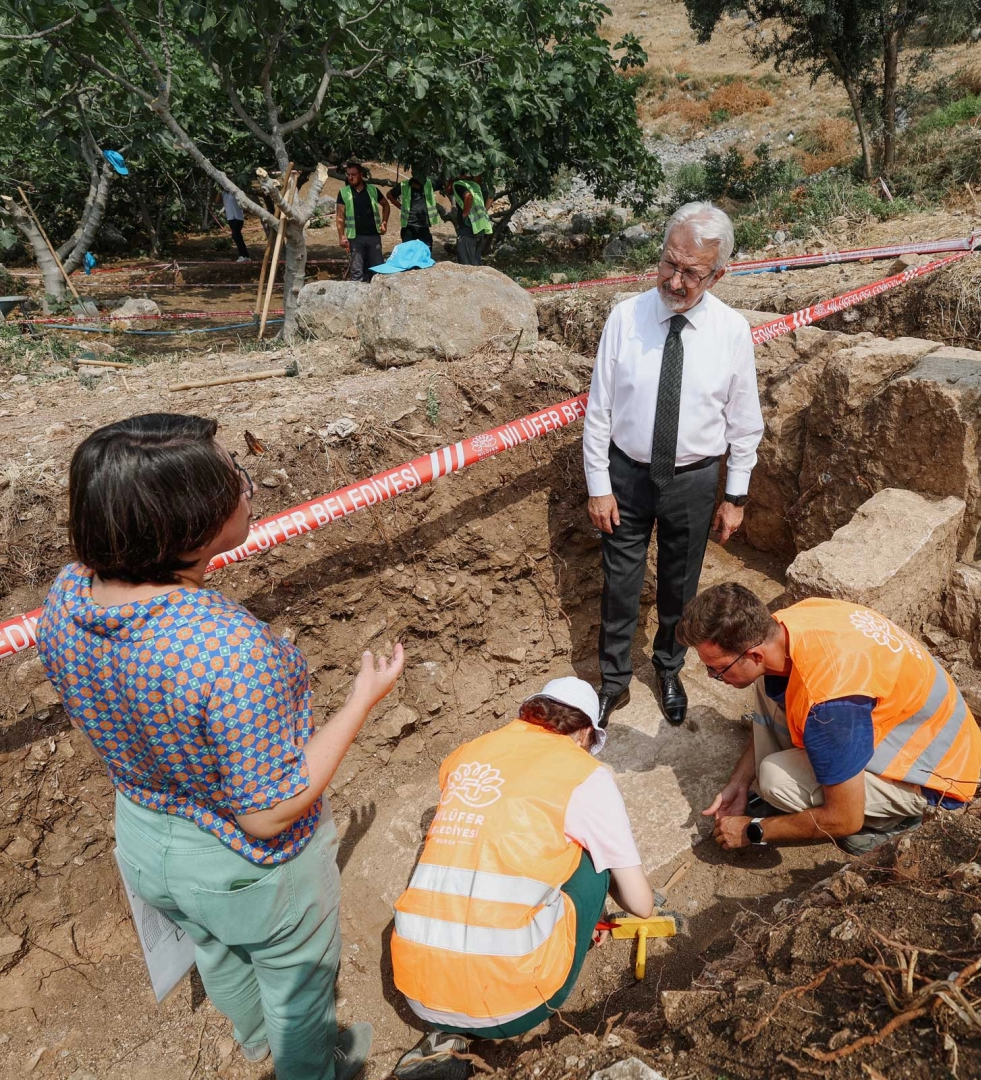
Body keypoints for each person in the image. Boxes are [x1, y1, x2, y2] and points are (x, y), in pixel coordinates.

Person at [36, 413, 404, 1080]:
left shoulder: (66, 595)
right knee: (298, 985)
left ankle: (254, 1040)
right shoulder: (226, 650)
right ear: (191, 525)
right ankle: (311, 1067)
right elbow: (267, 811)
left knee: (216, 950)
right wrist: (361, 701)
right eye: (234, 483)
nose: (247, 489)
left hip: (147, 837)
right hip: (248, 867)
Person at [390, 678, 655, 1080]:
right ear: (585, 732)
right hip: (513, 1006)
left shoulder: (468, 754)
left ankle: (445, 1033)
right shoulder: (585, 774)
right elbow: (641, 904)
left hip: (417, 988)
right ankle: (574, 934)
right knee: (591, 859)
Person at [583, 201, 763, 730]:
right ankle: (613, 682)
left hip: (694, 478)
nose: (676, 281)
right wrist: (599, 484)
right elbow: (599, 410)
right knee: (620, 583)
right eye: (669, 263)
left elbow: (744, 422)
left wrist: (735, 496)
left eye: (692, 272)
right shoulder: (625, 317)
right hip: (627, 475)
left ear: (719, 273)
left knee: (680, 586)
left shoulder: (731, 331)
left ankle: (668, 667)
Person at [681, 583, 981, 856]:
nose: (713, 677)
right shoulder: (789, 624)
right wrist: (739, 782)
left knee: (775, 779)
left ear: (754, 655)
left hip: (935, 778)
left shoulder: (829, 706)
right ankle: (831, 774)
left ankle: (894, 823)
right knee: (764, 683)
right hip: (926, 727)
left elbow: (843, 818)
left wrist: (754, 830)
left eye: (717, 669)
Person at [334, 162, 390, 283]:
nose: (350, 177)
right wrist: (341, 236)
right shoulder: (344, 192)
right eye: (348, 174)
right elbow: (340, 217)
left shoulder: (373, 190)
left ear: (361, 175)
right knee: (357, 272)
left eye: (353, 174)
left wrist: (384, 222)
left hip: (373, 236)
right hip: (355, 238)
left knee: (378, 270)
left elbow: (386, 205)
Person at [446, 173, 494, 266]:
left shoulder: (459, 184)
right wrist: (484, 212)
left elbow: (468, 196)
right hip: (481, 229)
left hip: (468, 231)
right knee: (475, 263)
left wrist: (465, 214)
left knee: (466, 266)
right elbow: (491, 197)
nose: (447, 188)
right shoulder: (476, 186)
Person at [389, 171, 443, 249]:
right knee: (409, 252)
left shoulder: (429, 184)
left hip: (423, 225)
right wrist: (401, 207)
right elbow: (389, 195)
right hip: (408, 226)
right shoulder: (404, 185)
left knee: (425, 250)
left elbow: (445, 182)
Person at [219, 187, 250, 261]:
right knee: (238, 236)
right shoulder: (223, 193)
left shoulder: (235, 191)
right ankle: (246, 255)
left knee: (235, 235)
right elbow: (217, 200)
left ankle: (242, 255)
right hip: (230, 218)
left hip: (238, 217)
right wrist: (219, 190)